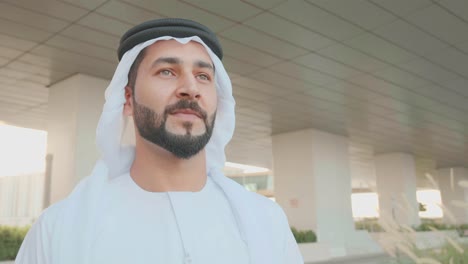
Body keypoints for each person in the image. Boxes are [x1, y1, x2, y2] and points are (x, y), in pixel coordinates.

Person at [16, 18, 303, 264]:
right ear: (127, 99)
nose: (190, 88)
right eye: (167, 71)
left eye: (203, 76)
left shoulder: (266, 221)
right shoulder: (59, 230)